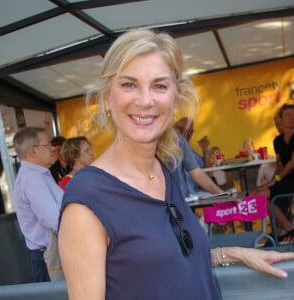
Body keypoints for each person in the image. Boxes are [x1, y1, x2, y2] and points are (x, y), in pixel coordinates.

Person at [58, 29, 294, 300]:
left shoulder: (161, 171)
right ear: (106, 98)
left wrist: (235, 254)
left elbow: (171, 260)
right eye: (129, 84)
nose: (145, 101)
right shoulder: (87, 201)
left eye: (159, 85)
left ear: (174, 99)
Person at [13, 127, 63, 282]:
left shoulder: (39, 174)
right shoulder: (33, 179)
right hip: (48, 255)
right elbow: (53, 219)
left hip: (50, 252)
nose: (52, 149)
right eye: (47, 145)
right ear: (32, 151)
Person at [250, 104, 294, 241]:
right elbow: (280, 167)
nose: (292, 118)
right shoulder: (278, 141)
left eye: (293, 114)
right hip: (286, 179)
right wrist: (271, 183)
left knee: (263, 194)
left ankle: (286, 228)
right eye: (287, 115)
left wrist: (273, 181)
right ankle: (285, 227)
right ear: (280, 119)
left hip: (291, 179)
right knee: (256, 194)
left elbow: (292, 164)